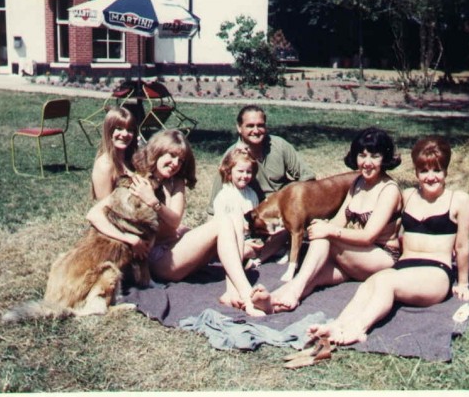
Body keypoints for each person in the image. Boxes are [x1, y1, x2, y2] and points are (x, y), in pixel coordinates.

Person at [306, 135, 469, 345]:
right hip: (403, 267)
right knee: (371, 282)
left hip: (435, 272)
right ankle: (337, 325)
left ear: (446, 171)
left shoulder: (459, 200)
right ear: (416, 172)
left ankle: (358, 329)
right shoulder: (408, 196)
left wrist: (463, 283)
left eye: (437, 170)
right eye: (424, 171)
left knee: (386, 282)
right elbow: (383, 219)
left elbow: (462, 246)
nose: (430, 177)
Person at [86, 129, 271, 317]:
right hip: (156, 260)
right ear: (157, 151)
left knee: (234, 220)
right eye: (172, 156)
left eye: (180, 160)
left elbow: (174, 221)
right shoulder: (138, 180)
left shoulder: (176, 182)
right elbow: (94, 214)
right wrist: (130, 239)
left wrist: (153, 202)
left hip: (174, 247)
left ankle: (232, 292)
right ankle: (247, 296)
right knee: (224, 222)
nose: (175, 164)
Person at [268, 127, 403, 312]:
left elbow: (368, 236)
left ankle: (293, 291)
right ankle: (274, 301)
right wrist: (320, 225)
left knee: (325, 238)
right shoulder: (358, 183)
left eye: (375, 156)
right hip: (355, 258)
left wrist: (328, 231)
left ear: (385, 159)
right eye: (362, 155)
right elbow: (338, 221)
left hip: (380, 257)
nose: (367, 163)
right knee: (311, 277)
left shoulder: (389, 190)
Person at [207, 104, 316, 261]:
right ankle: (250, 254)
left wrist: (293, 202)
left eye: (260, 125)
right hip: (253, 217)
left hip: (284, 211)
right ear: (239, 128)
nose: (256, 130)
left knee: (287, 226)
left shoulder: (279, 146)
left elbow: (308, 177)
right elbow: (213, 208)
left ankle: (256, 255)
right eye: (250, 126)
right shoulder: (231, 157)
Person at [212, 147, 266, 305]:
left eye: (248, 172)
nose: (245, 176)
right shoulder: (224, 196)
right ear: (229, 171)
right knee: (246, 250)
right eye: (240, 171)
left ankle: (247, 260)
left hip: (249, 239)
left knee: (266, 243)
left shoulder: (251, 195)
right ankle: (238, 275)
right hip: (231, 242)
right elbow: (222, 228)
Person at [91, 107, 138, 200]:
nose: (125, 134)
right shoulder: (105, 165)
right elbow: (104, 207)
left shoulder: (131, 159)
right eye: (119, 128)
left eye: (130, 130)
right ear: (109, 131)